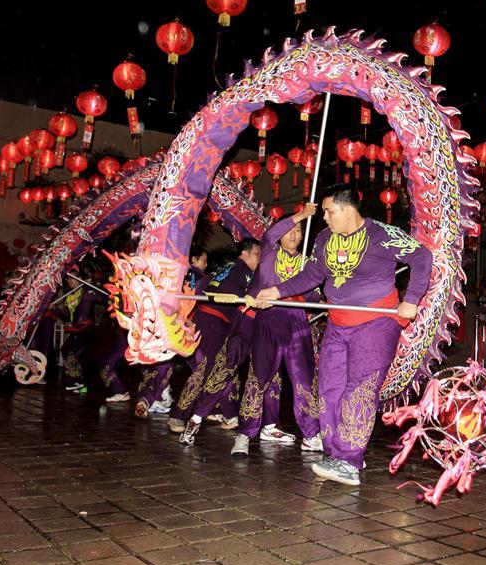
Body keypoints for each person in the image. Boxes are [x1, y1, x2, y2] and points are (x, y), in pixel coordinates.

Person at [256, 184, 432, 486]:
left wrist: (411, 299)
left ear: (348, 209)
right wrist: (276, 291)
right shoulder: (324, 240)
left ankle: (349, 462)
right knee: (329, 389)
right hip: (338, 325)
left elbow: (422, 257)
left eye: (329, 211)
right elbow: (311, 275)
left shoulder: (383, 235)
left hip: (376, 323)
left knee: (358, 390)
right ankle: (338, 453)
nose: (324, 217)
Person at [215, 204, 322, 454]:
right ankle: (244, 434)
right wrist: (301, 215)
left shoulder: (307, 263)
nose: (294, 234)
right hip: (268, 320)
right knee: (258, 377)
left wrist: (306, 295)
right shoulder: (269, 253)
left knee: (304, 379)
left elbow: (315, 295)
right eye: (290, 229)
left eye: (298, 231)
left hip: (296, 323)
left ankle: (311, 434)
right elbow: (270, 235)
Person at [168, 240, 260, 432]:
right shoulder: (246, 272)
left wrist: (194, 314)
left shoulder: (227, 267)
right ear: (245, 253)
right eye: (257, 254)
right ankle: (178, 415)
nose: (259, 260)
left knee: (223, 369)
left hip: (209, 319)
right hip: (214, 322)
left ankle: (230, 414)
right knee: (206, 369)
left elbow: (201, 284)